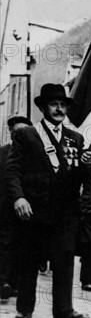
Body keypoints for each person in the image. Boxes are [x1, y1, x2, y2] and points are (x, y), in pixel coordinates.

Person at [5, 83, 91, 318]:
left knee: (65, 260)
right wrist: (18, 197)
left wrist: (87, 163)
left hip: (65, 212)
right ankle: (24, 308)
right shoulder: (26, 135)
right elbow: (12, 171)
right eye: (54, 104)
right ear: (44, 107)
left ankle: (63, 312)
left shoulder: (76, 138)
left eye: (63, 105)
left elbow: (84, 176)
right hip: (33, 210)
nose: (59, 109)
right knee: (29, 260)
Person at [0, 116, 32, 302]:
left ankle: (16, 282)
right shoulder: (2, 153)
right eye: (17, 132)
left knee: (22, 245)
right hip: (4, 207)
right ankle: (3, 282)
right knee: (4, 244)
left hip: (27, 209)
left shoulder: (34, 154)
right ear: (10, 133)